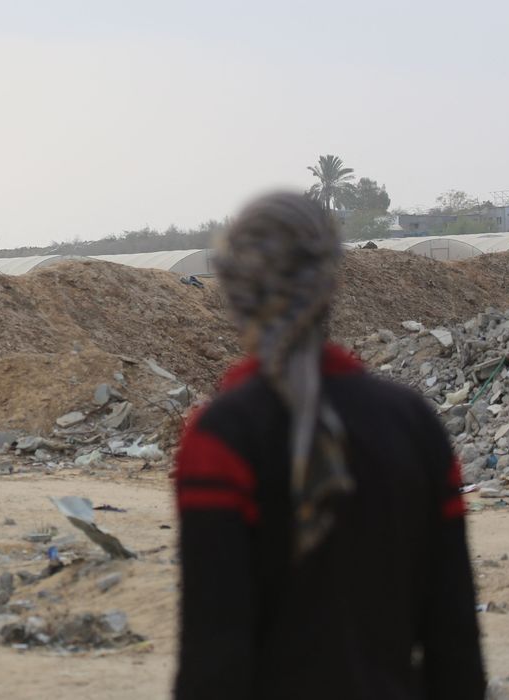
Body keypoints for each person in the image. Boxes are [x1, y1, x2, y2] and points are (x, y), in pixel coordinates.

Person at [174, 192, 484, 699]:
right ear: (332, 282)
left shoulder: (221, 439)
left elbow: (214, 653)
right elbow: (455, 641)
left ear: (232, 290)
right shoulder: (413, 424)